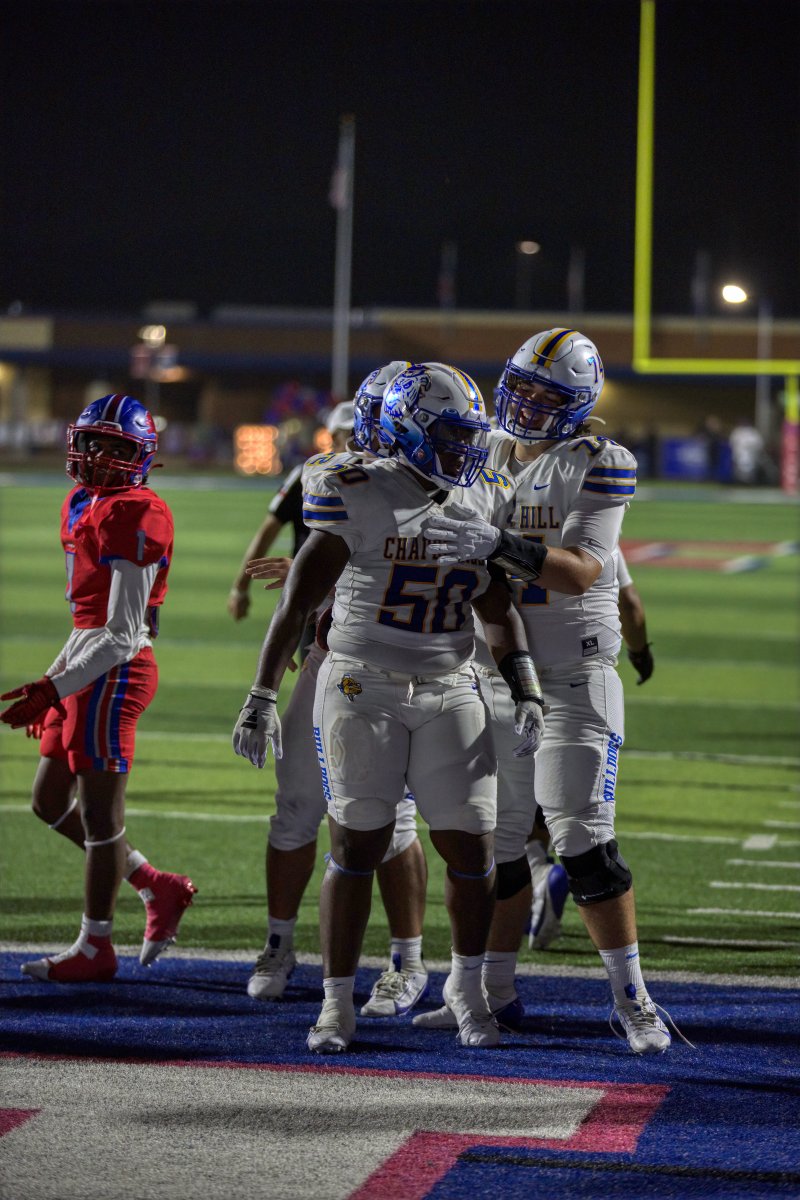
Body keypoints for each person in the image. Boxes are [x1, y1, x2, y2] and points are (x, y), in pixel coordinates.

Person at [232, 362, 545, 1054]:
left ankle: (466, 992)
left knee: (472, 846)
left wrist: (524, 686)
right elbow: (296, 602)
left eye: (469, 436)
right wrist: (261, 694)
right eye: (452, 435)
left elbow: (497, 607)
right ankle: (335, 1002)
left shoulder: (479, 496)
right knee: (357, 844)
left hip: (450, 683)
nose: (466, 449)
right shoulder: (357, 489)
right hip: (360, 685)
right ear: (407, 430)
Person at [420, 329, 689, 1055]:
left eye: (547, 395)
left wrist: (495, 544)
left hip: (572, 679)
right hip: (494, 677)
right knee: (497, 845)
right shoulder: (483, 450)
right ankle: (493, 993)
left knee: (582, 840)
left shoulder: (600, 461)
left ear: (578, 403)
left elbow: (579, 571)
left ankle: (633, 1001)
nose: (528, 405)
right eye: (522, 388)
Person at [239, 366, 431, 1017]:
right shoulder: (338, 481)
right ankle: (279, 945)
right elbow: (315, 587)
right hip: (332, 662)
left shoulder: (446, 488)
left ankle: (408, 960)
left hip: (408, 669)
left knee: (393, 820)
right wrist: (262, 692)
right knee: (295, 806)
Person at [1, 394, 196, 982]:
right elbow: (87, 623)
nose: (99, 456)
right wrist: (54, 681)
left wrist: (54, 686)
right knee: (47, 802)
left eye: (116, 447)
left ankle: (96, 947)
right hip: (89, 662)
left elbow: (122, 634)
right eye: (93, 443)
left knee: (100, 820)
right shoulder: (82, 502)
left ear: (141, 455)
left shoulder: (136, 511)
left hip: (117, 670)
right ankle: (155, 884)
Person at [524, 547, 654, 952]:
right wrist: (640, 651)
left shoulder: (495, 520)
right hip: (575, 679)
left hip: (501, 674)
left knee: (504, 814)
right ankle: (539, 879)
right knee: (577, 818)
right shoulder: (592, 538)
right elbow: (630, 603)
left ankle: (534, 877)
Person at [227, 401, 355, 627]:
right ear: (334, 436)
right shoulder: (309, 475)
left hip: (357, 596)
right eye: (351, 432)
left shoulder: (380, 477)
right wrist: (241, 587)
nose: (358, 439)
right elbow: (268, 530)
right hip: (314, 593)